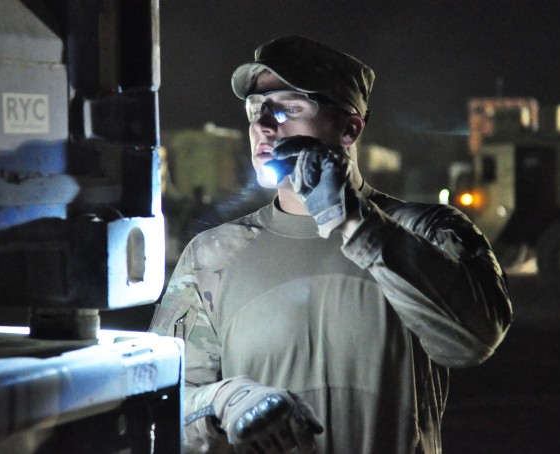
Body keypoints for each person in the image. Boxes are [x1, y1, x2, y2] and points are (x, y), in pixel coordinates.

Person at [150, 35, 512, 454]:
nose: (265, 126)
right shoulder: (212, 255)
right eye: (256, 110)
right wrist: (224, 401)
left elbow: (474, 339)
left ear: (349, 127)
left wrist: (355, 223)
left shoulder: (426, 230)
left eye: (290, 108)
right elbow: (163, 403)